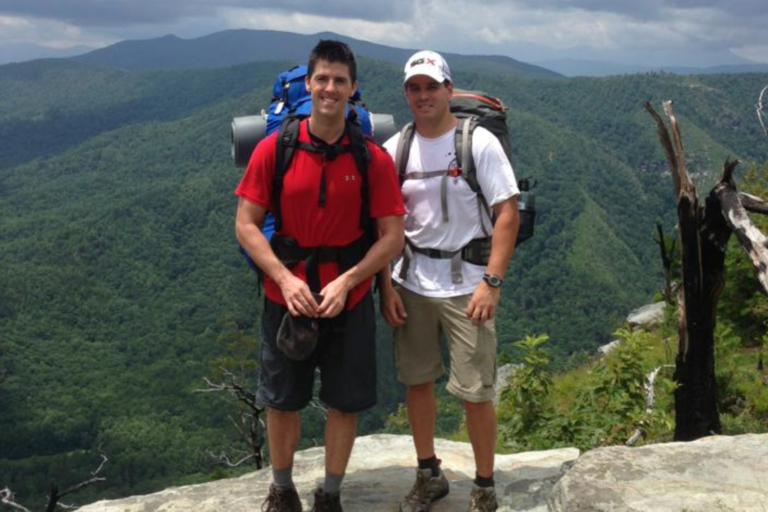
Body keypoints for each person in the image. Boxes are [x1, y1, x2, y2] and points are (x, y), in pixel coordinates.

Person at [235, 39, 405, 512]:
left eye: (340, 80)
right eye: (322, 79)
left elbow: (392, 236)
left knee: (344, 403)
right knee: (282, 400)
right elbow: (246, 225)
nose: (330, 88)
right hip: (285, 296)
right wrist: (285, 281)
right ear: (309, 84)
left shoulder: (371, 158)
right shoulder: (276, 148)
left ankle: (330, 494)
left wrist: (350, 281)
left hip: (346, 301)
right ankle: (282, 488)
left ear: (353, 89)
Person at [380, 50, 520, 512]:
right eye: (414, 88)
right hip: (411, 283)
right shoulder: (394, 150)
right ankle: (428, 474)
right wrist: (385, 285)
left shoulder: (477, 142)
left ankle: (483, 486)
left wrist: (492, 282)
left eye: (431, 86)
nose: (423, 95)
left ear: (448, 89)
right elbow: (384, 226)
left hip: (468, 287)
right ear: (406, 92)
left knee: (475, 392)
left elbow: (506, 213)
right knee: (417, 382)